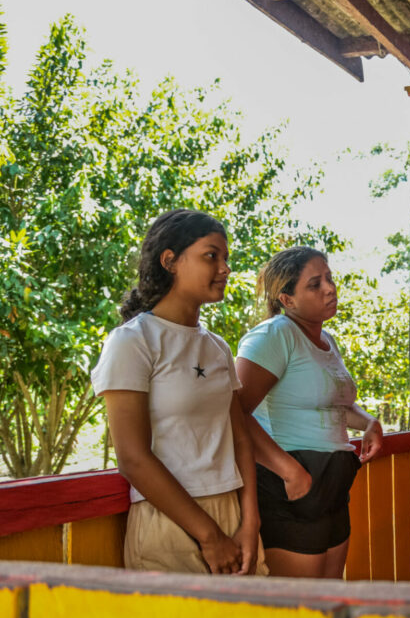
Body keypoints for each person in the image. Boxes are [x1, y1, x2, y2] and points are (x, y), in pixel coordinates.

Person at [92, 209, 266, 575]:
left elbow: (240, 439)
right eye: (211, 256)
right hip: (168, 520)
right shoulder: (133, 341)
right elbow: (133, 458)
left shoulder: (217, 347)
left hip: (232, 514)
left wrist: (250, 523)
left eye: (226, 258)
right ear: (170, 260)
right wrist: (210, 537)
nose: (225, 268)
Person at [235, 246, 383, 579]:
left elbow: (334, 404)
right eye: (315, 284)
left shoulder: (326, 339)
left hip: (330, 485)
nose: (329, 288)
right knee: (299, 603)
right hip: (291, 484)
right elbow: (235, 413)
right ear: (287, 299)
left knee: (328, 595)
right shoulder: (274, 336)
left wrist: (369, 423)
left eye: (329, 278)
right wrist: (289, 471)